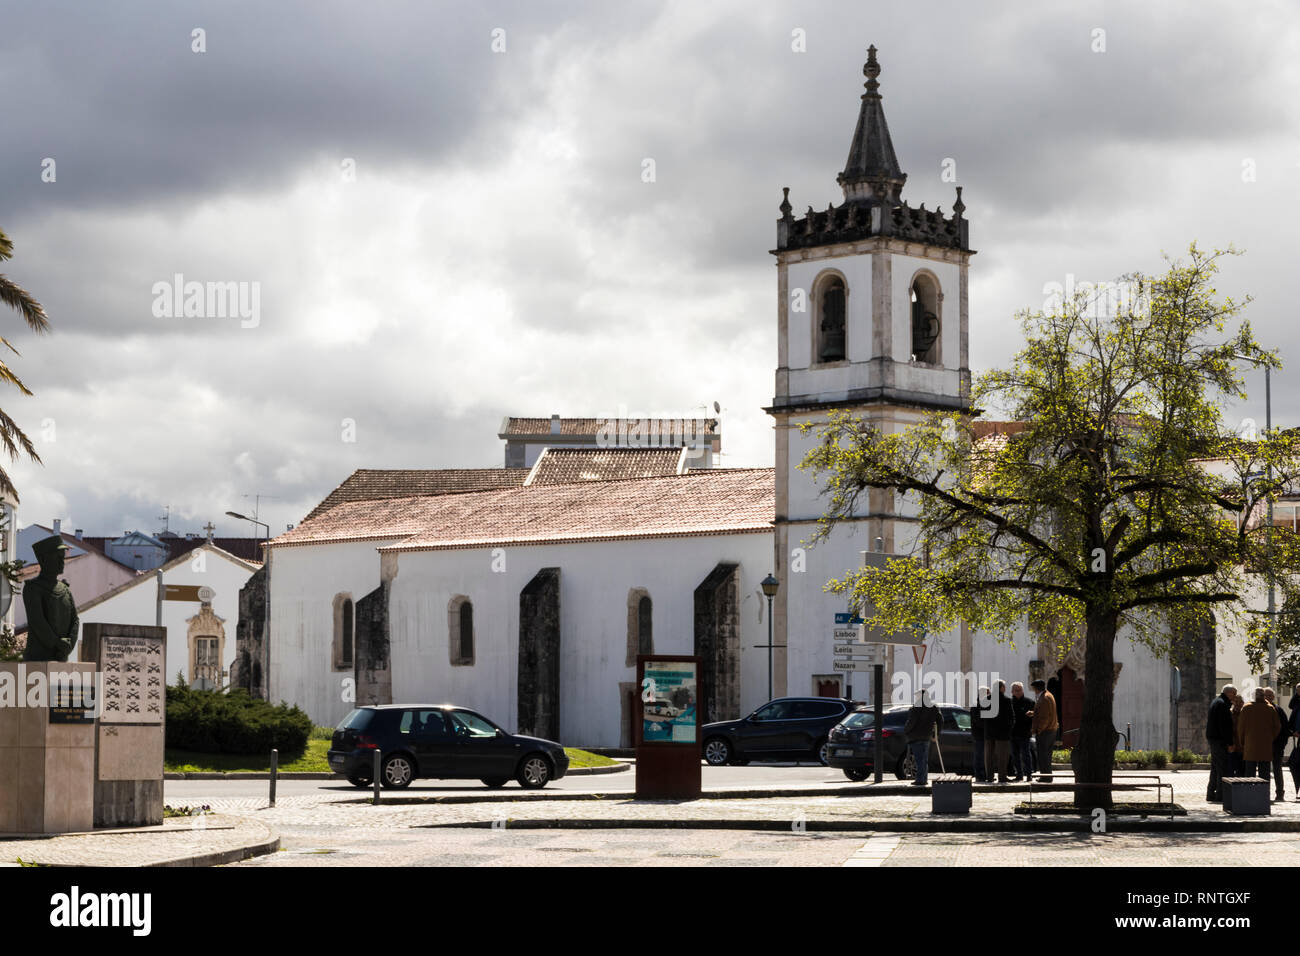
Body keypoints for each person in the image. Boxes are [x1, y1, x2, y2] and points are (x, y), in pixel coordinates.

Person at [22, 535, 79, 662]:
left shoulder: (65, 590)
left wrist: (68, 646)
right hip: (38, 658)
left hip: (61, 656)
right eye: (57, 557)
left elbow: (74, 620)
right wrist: (57, 643)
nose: (61, 562)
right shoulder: (33, 588)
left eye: (62, 557)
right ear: (43, 559)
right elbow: (37, 621)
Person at [903, 690, 941, 786]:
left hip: (916, 736)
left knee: (920, 759)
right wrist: (936, 734)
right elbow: (940, 720)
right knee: (923, 759)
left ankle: (920, 780)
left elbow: (911, 722)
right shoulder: (933, 707)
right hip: (926, 736)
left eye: (917, 696)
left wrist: (906, 730)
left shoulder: (916, 707)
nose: (916, 697)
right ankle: (923, 778)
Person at [1236, 688, 1277, 780]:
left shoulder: (1246, 708)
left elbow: (1240, 728)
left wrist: (1242, 742)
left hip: (1250, 745)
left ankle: (1249, 793)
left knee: (1250, 773)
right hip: (1266, 746)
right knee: (1265, 774)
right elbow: (1277, 727)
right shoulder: (1270, 708)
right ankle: (1264, 793)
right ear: (1263, 696)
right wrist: (1270, 738)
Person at [1205, 684, 1236, 802]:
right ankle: (1220, 796)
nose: (1234, 697)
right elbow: (1225, 727)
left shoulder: (1216, 702)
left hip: (1213, 739)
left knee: (1215, 768)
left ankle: (1211, 794)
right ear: (1229, 693)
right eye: (1234, 693)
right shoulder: (1223, 705)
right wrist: (1230, 743)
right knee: (1221, 769)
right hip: (1219, 740)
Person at [983, 680, 1013, 784]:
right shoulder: (1007, 700)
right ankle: (1002, 776)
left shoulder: (986, 699)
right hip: (1002, 733)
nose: (1005, 688)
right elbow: (1011, 717)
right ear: (1001, 688)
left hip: (989, 732)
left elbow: (982, 717)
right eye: (1004, 686)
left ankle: (989, 777)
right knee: (1002, 756)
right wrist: (1009, 729)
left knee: (989, 756)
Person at [1030, 679, 1058, 782]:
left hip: (1045, 731)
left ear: (1036, 688)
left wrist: (1039, 730)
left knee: (1043, 755)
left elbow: (1045, 717)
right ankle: (1047, 776)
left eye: (1034, 689)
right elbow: (1044, 712)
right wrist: (1034, 713)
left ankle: (1045, 777)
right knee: (1046, 755)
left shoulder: (1044, 698)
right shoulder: (1048, 695)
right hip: (1050, 730)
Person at [1264, 687, 1289, 802]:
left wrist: (1281, 744)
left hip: (1277, 745)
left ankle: (1280, 793)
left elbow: (1285, 729)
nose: (1268, 698)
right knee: (1264, 769)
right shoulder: (1260, 709)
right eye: (1266, 695)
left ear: (1273, 697)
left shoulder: (1278, 710)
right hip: (1264, 745)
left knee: (1277, 769)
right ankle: (1264, 793)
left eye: (1270, 695)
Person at [1009, 682, 1034, 781]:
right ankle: (1019, 774)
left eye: (1020, 690)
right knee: (1015, 756)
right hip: (1013, 733)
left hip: (1024, 733)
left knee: (1026, 755)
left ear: (1023, 690)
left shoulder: (1029, 702)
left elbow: (1033, 718)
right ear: (1012, 691)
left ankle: (1029, 774)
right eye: (1016, 690)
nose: (1018, 692)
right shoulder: (1009, 703)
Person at [970, 686, 988, 782]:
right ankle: (980, 775)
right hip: (979, 734)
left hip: (984, 734)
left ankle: (984, 774)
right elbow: (978, 720)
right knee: (979, 755)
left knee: (984, 755)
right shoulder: (976, 705)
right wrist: (988, 725)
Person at [1228, 693, 1246, 777]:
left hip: (1243, 748)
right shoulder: (1229, 714)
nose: (1238, 704)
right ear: (1233, 703)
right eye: (1236, 701)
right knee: (1230, 771)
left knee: (1241, 772)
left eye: (1240, 702)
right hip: (1232, 747)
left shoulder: (1245, 715)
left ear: (1243, 703)